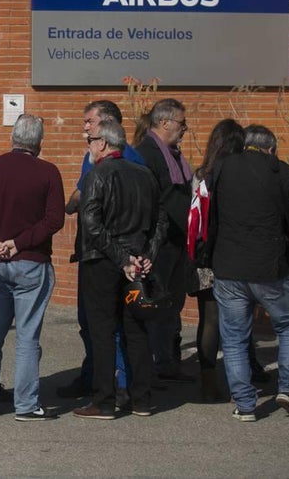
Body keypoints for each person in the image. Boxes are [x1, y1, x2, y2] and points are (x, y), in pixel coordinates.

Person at [0, 115, 63, 420]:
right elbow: (53, 220)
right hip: (31, 262)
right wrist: (18, 243)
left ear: (13, 139)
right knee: (27, 337)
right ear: (39, 142)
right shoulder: (48, 172)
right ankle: (26, 404)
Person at [209, 125, 289, 421]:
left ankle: (245, 403)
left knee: (235, 337)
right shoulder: (279, 170)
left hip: (228, 264)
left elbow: (211, 213)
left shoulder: (223, 166)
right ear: (270, 148)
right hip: (269, 265)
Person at [73, 119, 166, 420]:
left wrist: (122, 257)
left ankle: (104, 400)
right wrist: (145, 254)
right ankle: (142, 398)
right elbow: (160, 220)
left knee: (102, 330)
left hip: (103, 263)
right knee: (136, 329)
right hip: (134, 261)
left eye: (90, 140)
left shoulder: (97, 175)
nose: (88, 145)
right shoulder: (144, 175)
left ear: (102, 143)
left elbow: (91, 224)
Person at [58, 100, 145, 400]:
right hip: (118, 251)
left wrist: (66, 206)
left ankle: (115, 385)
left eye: (89, 123)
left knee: (108, 323)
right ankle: (95, 375)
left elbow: (85, 198)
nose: (84, 128)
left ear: (106, 128)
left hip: (105, 253)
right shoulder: (115, 157)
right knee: (101, 323)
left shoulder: (117, 158)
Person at [184, 118, 247, 403]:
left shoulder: (201, 175)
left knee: (208, 319)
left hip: (205, 256)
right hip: (234, 254)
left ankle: (208, 379)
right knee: (238, 318)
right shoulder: (241, 173)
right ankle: (240, 380)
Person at [134, 98, 194, 382]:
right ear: (164, 122)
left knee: (172, 304)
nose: (185, 128)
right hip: (159, 244)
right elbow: (158, 199)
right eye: (181, 123)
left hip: (176, 241)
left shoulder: (174, 153)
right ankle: (154, 364)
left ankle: (167, 361)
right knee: (156, 305)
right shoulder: (147, 153)